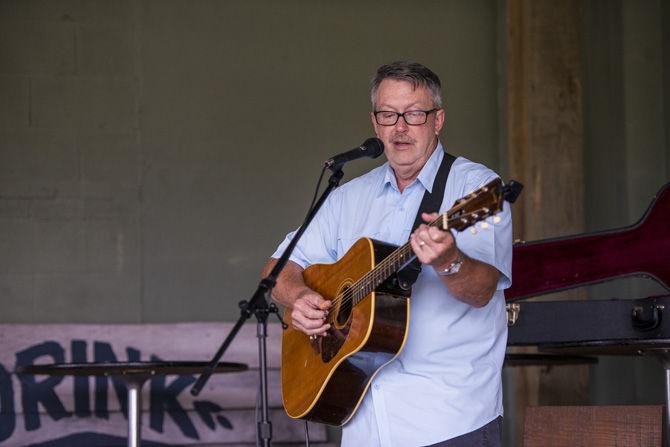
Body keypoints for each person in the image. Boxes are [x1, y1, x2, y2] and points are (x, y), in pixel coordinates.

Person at [262, 61, 512, 447]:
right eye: (388, 114)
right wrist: (299, 298)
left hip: (450, 419)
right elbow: (278, 270)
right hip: (362, 422)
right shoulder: (347, 197)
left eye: (414, 114)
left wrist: (449, 260)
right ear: (375, 123)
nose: (400, 127)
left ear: (438, 119)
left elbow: (481, 291)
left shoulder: (477, 188)